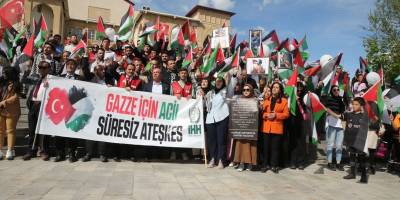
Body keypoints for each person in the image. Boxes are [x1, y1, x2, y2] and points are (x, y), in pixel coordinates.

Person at [22, 61, 52, 161]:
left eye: (44, 67)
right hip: (33, 105)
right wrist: (27, 70)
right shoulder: (35, 78)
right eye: (40, 67)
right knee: (31, 130)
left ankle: (44, 151)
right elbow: (24, 80)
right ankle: (30, 151)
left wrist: (50, 85)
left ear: (49, 69)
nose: (42, 69)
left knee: (43, 131)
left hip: (44, 106)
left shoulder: (52, 80)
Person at [205, 76, 233, 169]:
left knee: (221, 140)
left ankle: (221, 160)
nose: (218, 83)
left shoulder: (226, 91)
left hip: (222, 117)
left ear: (223, 83)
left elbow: (231, 84)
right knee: (212, 141)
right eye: (217, 81)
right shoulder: (210, 92)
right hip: (210, 119)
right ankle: (212, 159)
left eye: (220, 81)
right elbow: (205, 103)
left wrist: (232, 76)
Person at [261, 82, 289, 173]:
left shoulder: (284, 101)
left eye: (277, 87)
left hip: (277, 128)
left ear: (280, 90)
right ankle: (265, 165)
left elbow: (286, 114)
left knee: (275, 148)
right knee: (265, 148)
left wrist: (276, 115)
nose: (274, 89)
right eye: (273, 87)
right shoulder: (267, 99)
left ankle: (274, 165)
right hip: (266, 127)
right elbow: (262, 113)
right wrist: (267, 115)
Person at [342, 97, 369, 183]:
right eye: (353, 104)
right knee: (352, 157)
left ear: (361, 106)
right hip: (350, 140)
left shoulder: (365, 116)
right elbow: (339, 116)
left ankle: (364, 176)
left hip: (360, 141)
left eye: (356, 104)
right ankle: (352, 173)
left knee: (362, 159)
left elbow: (373, 124)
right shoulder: (349, 114)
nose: (354, 106)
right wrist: (328, 111)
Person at [233, 84, 258, 171]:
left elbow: (256, 113)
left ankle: (250, 163)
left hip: (251, 127)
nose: (246, 91)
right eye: (244, 90)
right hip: (242, 127)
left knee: (251, 145)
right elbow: (235, 112)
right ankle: (241, 163)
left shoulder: (255, 100)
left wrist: (259, 106)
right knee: (240, 145)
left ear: (251, 91)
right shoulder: (239, 100)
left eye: (248, 90)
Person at [0, 67, 21, 160]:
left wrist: (5, 102)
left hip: (12, 110)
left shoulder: (16, 83)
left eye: (5, 73)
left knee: (10, 130)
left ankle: (10, 150)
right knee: (0, 131)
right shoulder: (1, 83)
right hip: (1, 110)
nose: (3, 74)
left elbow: (16, 97)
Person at [324, 85, 346, 171]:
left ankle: (338, 163)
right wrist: (336, 115)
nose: (336, 91)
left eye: (337, 90)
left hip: (340, 125)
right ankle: (329, 163)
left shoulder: (341, 100)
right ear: (331, 91)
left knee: (339, 145)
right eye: (334, 90)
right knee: (330, 144)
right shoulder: (329, 99)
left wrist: (342, 115)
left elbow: (344, 110)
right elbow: (327, 109)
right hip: (331, 124)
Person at [289, 82, 309, 170]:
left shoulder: (305, 98)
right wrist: (293, 100)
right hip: (292, 123)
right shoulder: (291, 98)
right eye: (298, 87)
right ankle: (293, 162)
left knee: (301, 143)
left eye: (301, 87)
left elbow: (308, 107)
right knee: (293, 143)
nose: (299, 89)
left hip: (302, 123)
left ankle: (301, 162)